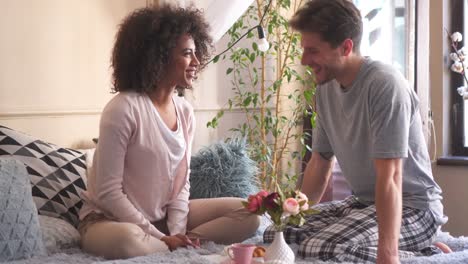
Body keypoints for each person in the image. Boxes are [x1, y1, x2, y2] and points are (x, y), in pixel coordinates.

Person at [263, 0, 447, 263]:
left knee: (325, 246)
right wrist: (294, 213)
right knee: (276, 235)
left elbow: (391, 177)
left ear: (346, 47)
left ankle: (423, 255)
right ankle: (416, 251)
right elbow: (320, 162)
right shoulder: (325, 89)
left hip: (413, 208)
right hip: (363, 203)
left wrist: (388, 253)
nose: (304, 60)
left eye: (312, 51)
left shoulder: (385, 85)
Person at [78, 4, 259, 259]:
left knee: (250, 213)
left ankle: (180, 245)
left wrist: (176, 230)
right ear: (158, 56)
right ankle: (169, 247)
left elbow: (181, 185)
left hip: (163, 218)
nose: (196, 62)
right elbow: (108, 194)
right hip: (110, 221)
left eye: (196, 53)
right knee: (128, 241)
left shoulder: (184, 111)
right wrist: (161, 237)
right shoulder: (122, 108)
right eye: (187, 54)